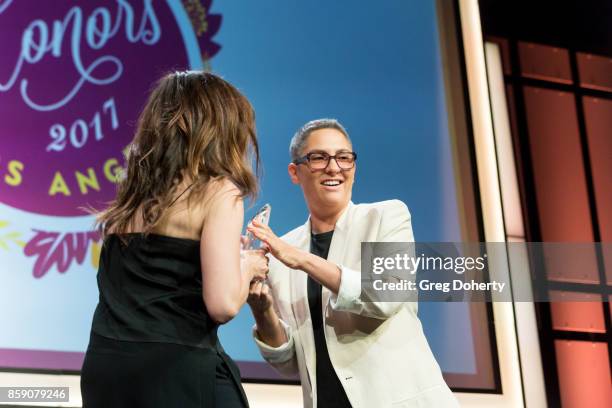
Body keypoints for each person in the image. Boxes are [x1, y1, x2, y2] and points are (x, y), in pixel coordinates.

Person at [80, 71, 269, 408]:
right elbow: (223, 304)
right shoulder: (219, 192)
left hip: (107, 370)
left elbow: (155, 275)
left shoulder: (132, 197)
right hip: (176, 371)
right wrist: (250, 265)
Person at [246, 119, 459, 408]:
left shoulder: (385, 217)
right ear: (295, 172)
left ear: (353, 169)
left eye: (344, 158)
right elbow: (289, 362)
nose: (334, 167)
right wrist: (262, 309)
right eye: (319, 157)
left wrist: (302, 259)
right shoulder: (283, 252)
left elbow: (386, 297)